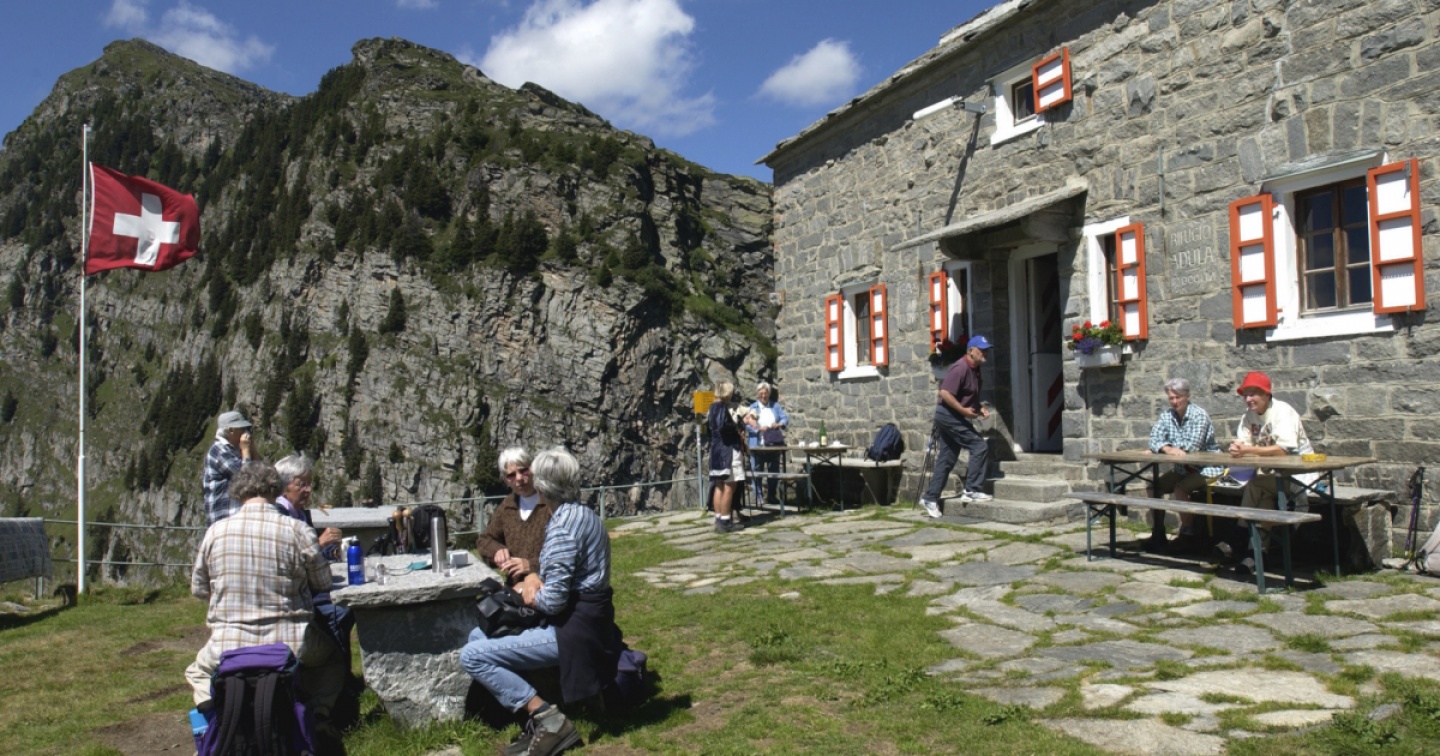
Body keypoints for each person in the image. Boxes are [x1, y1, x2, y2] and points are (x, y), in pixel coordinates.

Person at [459, 447, 623, 756]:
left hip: (571, 630)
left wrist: (527, 592)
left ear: (544, 484)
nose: (523, 478)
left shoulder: (561, 527)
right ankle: (531, 720)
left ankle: (548, 719)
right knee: (478, 635)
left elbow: (554, 602)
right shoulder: (584, 514)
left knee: (471, 655)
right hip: (587, 621)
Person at [185, 462, 348, 728]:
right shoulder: (298, 531)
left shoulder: (216, 531)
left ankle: (214, 712)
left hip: (229, 641)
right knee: (332, 660)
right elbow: (322, 582)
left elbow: (199, 589)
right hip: (290, 641)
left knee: (198, 671)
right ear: (277, 490)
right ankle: (319, 714)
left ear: (239, 492)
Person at [1223, 371, 1318, 573]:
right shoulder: (1248, 416)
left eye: (1253, 394)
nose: (1248, 399)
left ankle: (1238, 538)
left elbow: (1283, 450)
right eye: (1245, 395)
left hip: (1299, 477)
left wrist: (1246, 450)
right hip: (1272, 478)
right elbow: (1244, 444)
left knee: (1257, 485)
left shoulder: (1283, 412)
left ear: (1266, 395)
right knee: (1264, 497)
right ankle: (1256, 555)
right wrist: (1237, 448)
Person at [275, 454, 353, 657]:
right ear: (284, 486)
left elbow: (312, 554)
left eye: (309, 484)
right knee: (341, 611)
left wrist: (331, 550)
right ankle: (337, 675)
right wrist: (320, 543)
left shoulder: (299, 512)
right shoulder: (279, 515)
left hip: (309, 587)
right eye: (301, 484)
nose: (308, 490)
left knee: (348, 607)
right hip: (295, 595)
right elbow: (290, 557)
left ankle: (340, 672)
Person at [1142, 378, 1223, 553]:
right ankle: (1158, 532)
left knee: (1180, 488)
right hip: (1183, 468)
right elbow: (1154, 439)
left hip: (1206, 467)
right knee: (1154, 487)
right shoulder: (1167, 415)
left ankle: (1188, 535)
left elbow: (1191, 447)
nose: (1175, 401)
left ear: (1187, 396)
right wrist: (1166, 448)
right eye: (1171, 398)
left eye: (1178, 397)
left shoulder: (1198, 415)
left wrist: (1164, 448)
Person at [918, 336, 995, 518]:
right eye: (981, 349)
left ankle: (930, 497)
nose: (985, 353)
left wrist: (979, 407)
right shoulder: (959, 368)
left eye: (986, 349)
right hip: (948, 415)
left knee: (947, 458)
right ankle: (972, 489)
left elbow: (969, 395)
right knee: (979, 445)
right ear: (970, 351)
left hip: (953, 415)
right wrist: (964, 411)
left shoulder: (975, 369)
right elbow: (944, 393)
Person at [476, 447, 557, 585]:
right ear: (505, 480)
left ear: (533, 469)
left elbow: (566, 554)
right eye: (511, 475)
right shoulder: (508, 506)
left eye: (523, 470)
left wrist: (531, 566)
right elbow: (484, 540)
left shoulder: (552, 503)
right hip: (515, 589)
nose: (519, 478)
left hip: (548, 589)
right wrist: (496, 551)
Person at [706, 381, 748, 533]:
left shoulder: (711, 408)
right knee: (730, 486)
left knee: (719, 485)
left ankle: (719, 518)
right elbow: (724, 427)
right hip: (728, 451)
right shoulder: (722, 408)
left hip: (716, 451)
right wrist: (737, 426)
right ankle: (725, 520)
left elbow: (709, 431)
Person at [203, 410, 254, 525]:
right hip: (223, 518)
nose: (245, 433)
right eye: (242, 429)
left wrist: (252, 449)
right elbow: (245, 478)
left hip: (236, 517)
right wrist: (246, 450)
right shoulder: (218, 450)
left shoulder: (235, 450)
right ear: (230, 430)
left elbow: (260, 471)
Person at [746, 382, 790, 506]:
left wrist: (779, 424)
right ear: (757, 394)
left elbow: (785, 418)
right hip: (757, 445)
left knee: (773, 471)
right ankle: (759, 497)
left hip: (773, 444)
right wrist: (759, 428)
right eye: (761, 393)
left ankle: (771, 496)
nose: (763, 396)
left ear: (769, 394)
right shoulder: (753, 407)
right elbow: (747, 425)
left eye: (765, 393)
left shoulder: (775, 406)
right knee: (757, 471)